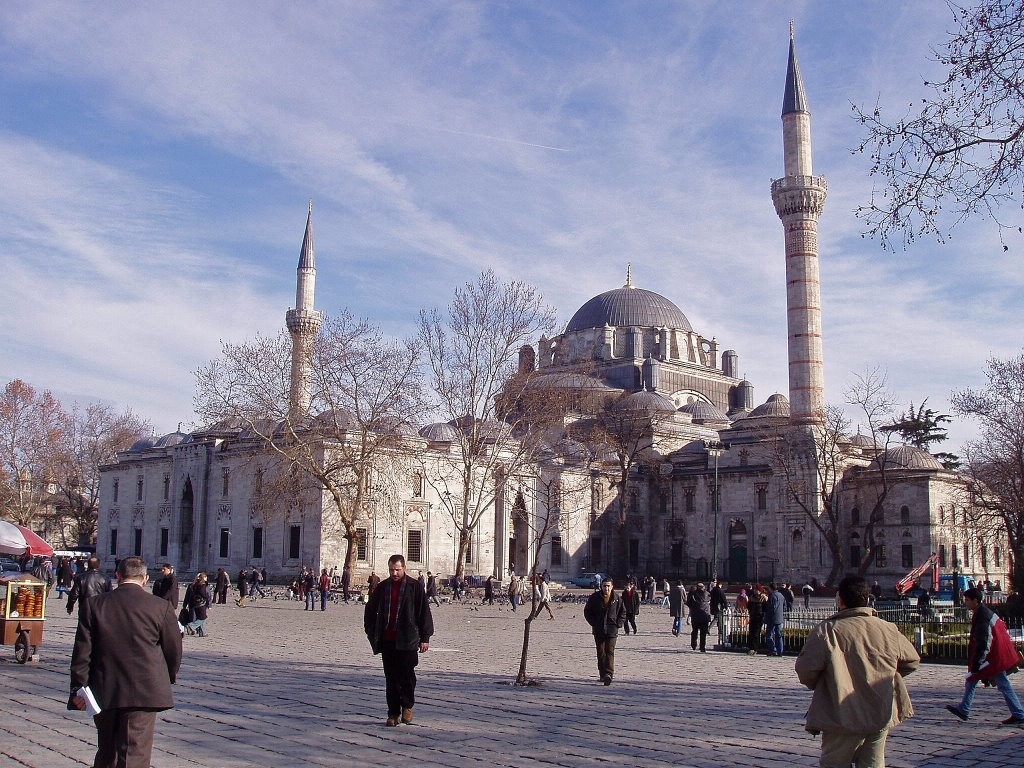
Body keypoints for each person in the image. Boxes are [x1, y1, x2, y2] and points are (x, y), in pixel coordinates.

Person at [68, 556, 182, 768]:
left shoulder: (94, 605)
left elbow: (83, 652)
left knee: (107, 751)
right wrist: (167, 676)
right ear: (146, 579)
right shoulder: (161, 607)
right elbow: (173, 650)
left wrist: (78, 688)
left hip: (103, 689)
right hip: (145, 691)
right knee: (134, 753)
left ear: (117, 576)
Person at [796, 575, 919, 768]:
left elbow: (805, 671)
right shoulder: (887, 629)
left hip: (842, 713)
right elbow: (912, 660)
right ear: (868, 599)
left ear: (840, 600)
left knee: (834, 763)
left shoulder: (828, 631)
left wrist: (830, 681)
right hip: (880, 711)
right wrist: (883, 675)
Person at [364, 554, 433, 727]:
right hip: (388, 640)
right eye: (391, 570)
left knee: (407, 676)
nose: (394, 573)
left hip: (408, 639)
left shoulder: (414, 587)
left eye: (397, 569)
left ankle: (407, 706)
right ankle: (393, 713)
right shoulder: (382, 587)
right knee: (391, 679)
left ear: (404, 568)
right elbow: (370, 610)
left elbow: (423, 612)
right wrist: (371, 632)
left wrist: (425, 637)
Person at [945, 587, 1024, 725]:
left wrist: (977, 662)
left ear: (976, 601)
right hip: (997, 654)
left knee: (983, 680)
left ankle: (1018, 713)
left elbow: (984, 642)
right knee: (977, 680)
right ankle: (964, 708)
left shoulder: (982, 616)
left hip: (995, 657)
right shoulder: (984, 612)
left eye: (967, 600)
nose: (966, 603)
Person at [584, 578, 625, 685]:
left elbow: (623, 612)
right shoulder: (594, 598)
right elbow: (587, 612)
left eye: (608, 586)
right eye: (604, 586)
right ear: (601, 587)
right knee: (601, 652)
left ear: (612, 587)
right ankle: (602, 674)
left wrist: (619, 624)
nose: (606, 588)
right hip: (599, 629)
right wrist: (594, 623)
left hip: (612, 629)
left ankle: (609, 674)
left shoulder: (617, 598)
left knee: (610, 651)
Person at [181, 572, 211, 637]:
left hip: (194, 603)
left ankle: (203, 633)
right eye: (205, 577)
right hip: (201, 604)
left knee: (199, 618)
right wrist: (207, 599)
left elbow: (187, 596)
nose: (206, 578)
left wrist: (185, 604)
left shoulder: (194, 585)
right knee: (202, 618)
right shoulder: (202, 585)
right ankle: (191, 625)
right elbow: (205, 594)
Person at [687, 582, 712, 653]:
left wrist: (693, 607)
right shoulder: (707, 594)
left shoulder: (693, 594)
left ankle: (693, 644)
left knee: (694, 631)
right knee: (703, 633)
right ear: (703, 587)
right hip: (705, 616)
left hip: (695, 615)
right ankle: (702, 647)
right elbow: (710, 599)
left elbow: (688, 603)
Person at [765, 583, 786, 657]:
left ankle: (772, 650)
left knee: (769, 635)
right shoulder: (781, 595)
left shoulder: (772, 596)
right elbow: (784, 606)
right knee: (779, 635)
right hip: (779, 618)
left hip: (772, 618)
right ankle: (780, 651)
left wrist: (767, 616)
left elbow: (772, 608)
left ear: (771, 588)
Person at [747, 585, 766, 655]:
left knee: (756, 633)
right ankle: (750, 648)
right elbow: (748, 606)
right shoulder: (752, 597)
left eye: (757, 590)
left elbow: (765, 608)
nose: (755, 591)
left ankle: (755, 649)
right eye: (755, 590)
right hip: (752, 617)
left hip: (759, 618)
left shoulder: (763, 598)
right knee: (751, 633)